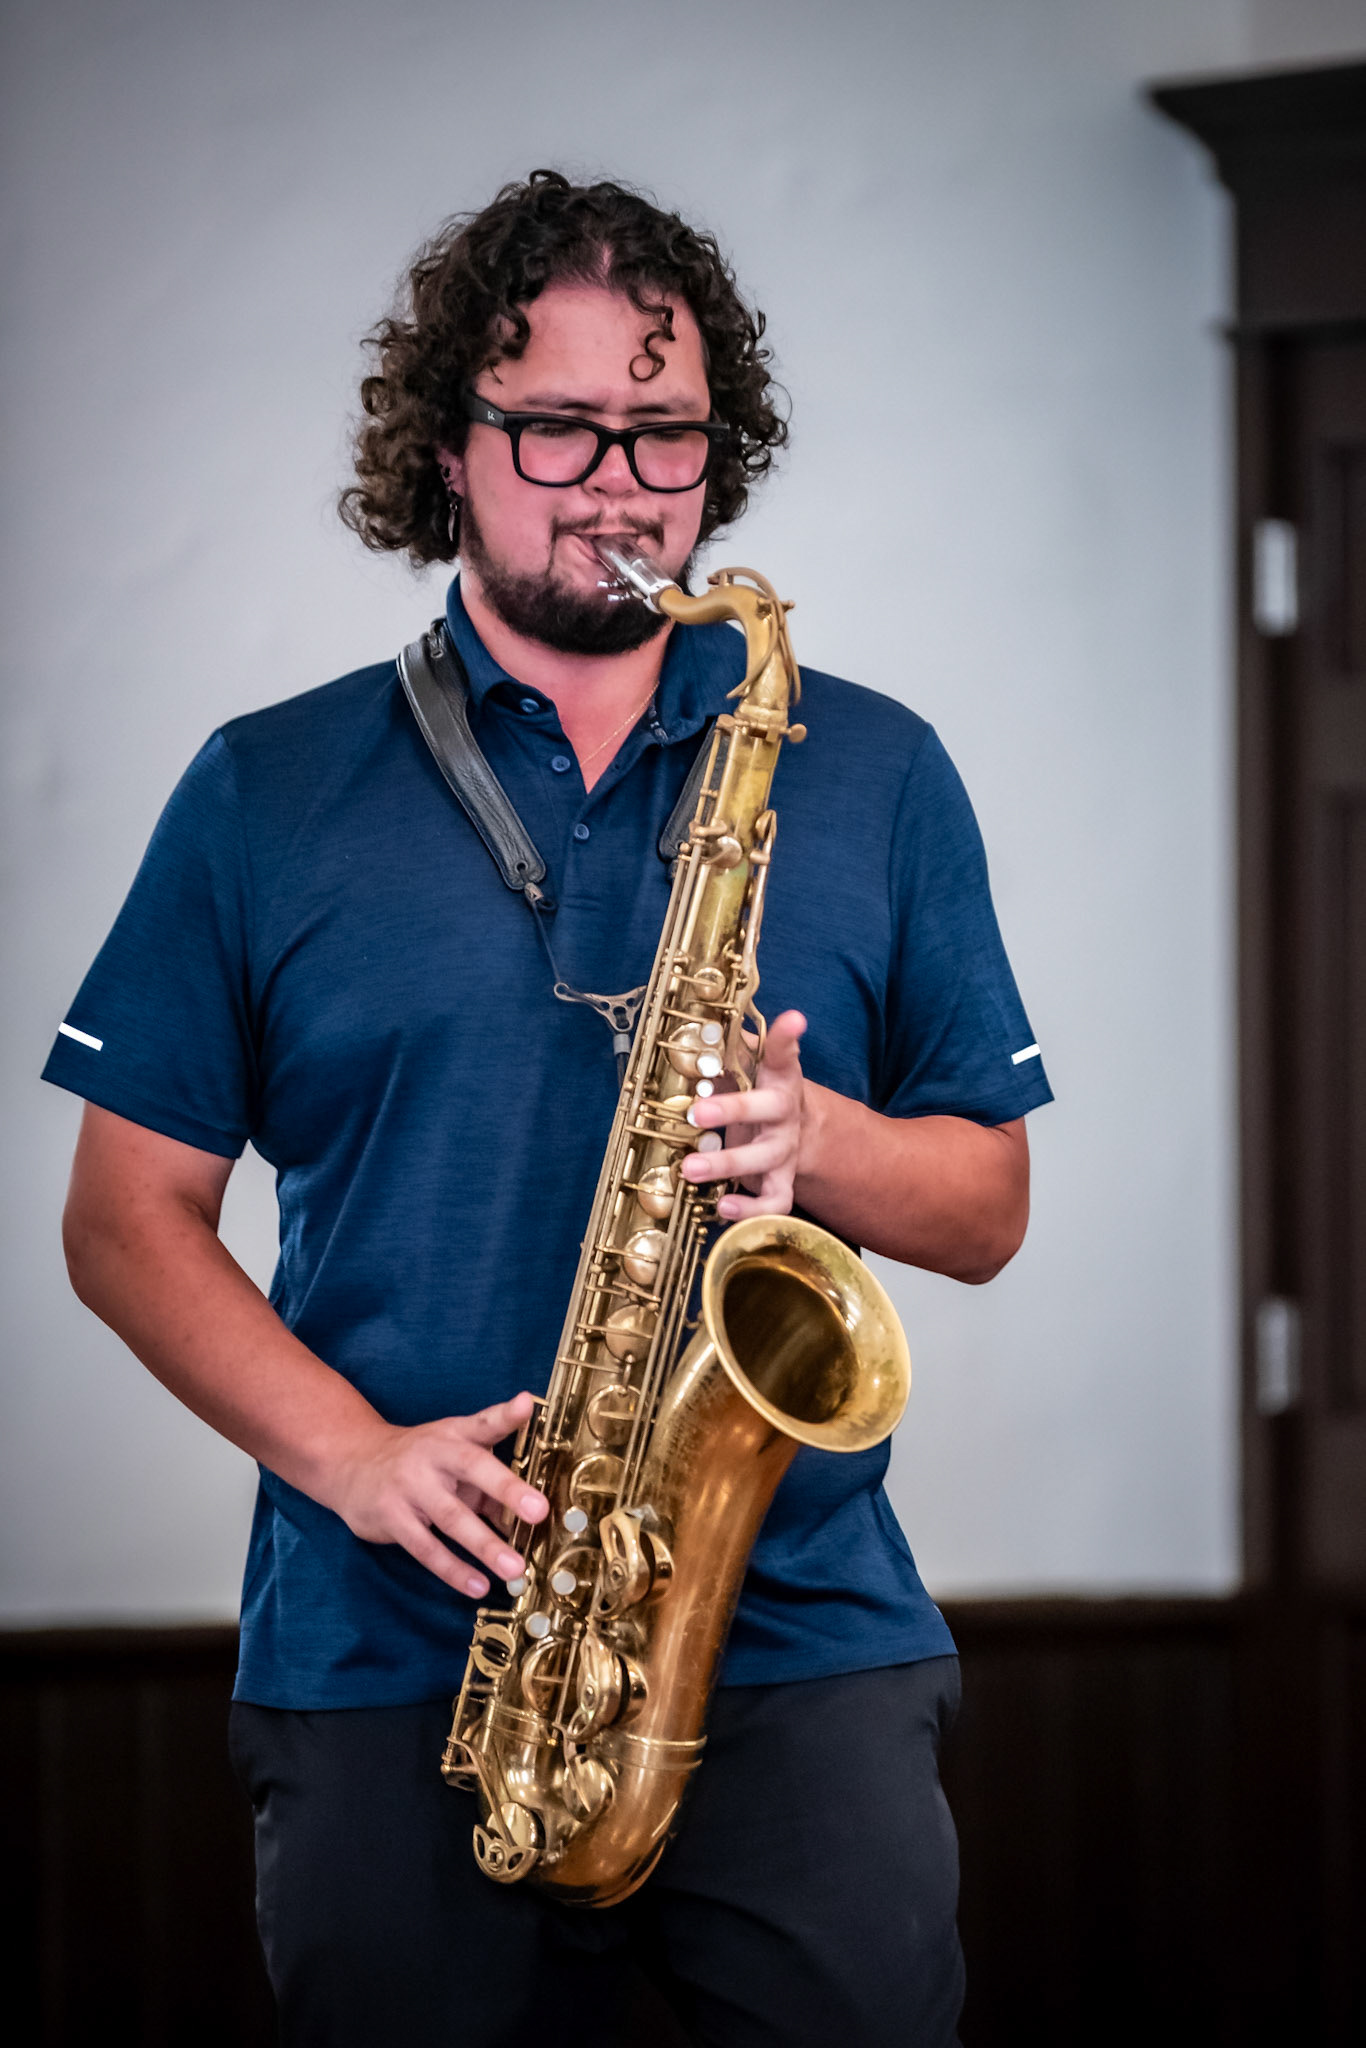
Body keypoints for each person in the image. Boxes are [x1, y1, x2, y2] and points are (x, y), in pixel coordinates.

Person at [45, 170, 1051, 2048]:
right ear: (449, 447)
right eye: (557, 427)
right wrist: (350, 1457)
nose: (616, 479)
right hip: (389, 1644)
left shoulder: (874, 768)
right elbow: (122, 1221)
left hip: (800, 1642)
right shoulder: (265, 790)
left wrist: (818, 1148)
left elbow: (985, 1208)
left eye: (662, 433)